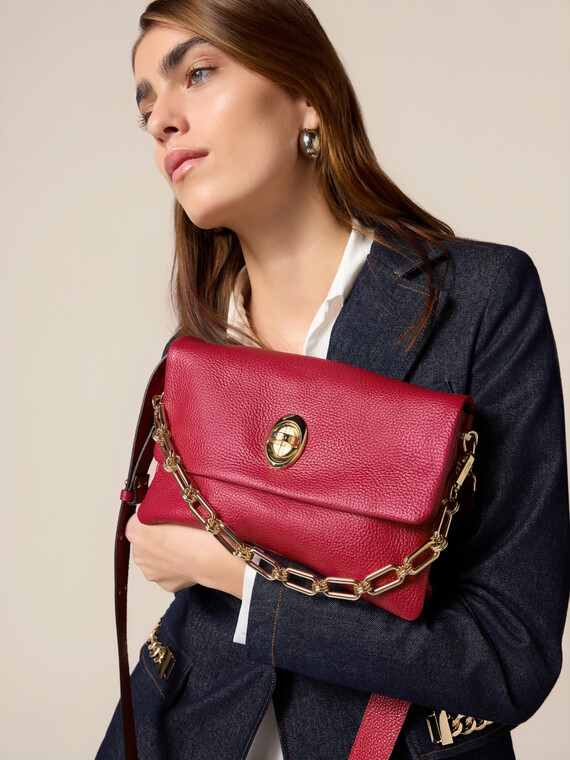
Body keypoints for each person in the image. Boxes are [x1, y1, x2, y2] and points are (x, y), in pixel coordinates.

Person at [97, 0, 570, 758]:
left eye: (198, 73)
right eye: (146, 104)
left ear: (306, 98)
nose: (162, 120)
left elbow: (508, 654)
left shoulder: (481, 301)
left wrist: (237, 579)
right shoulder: (195, 355)